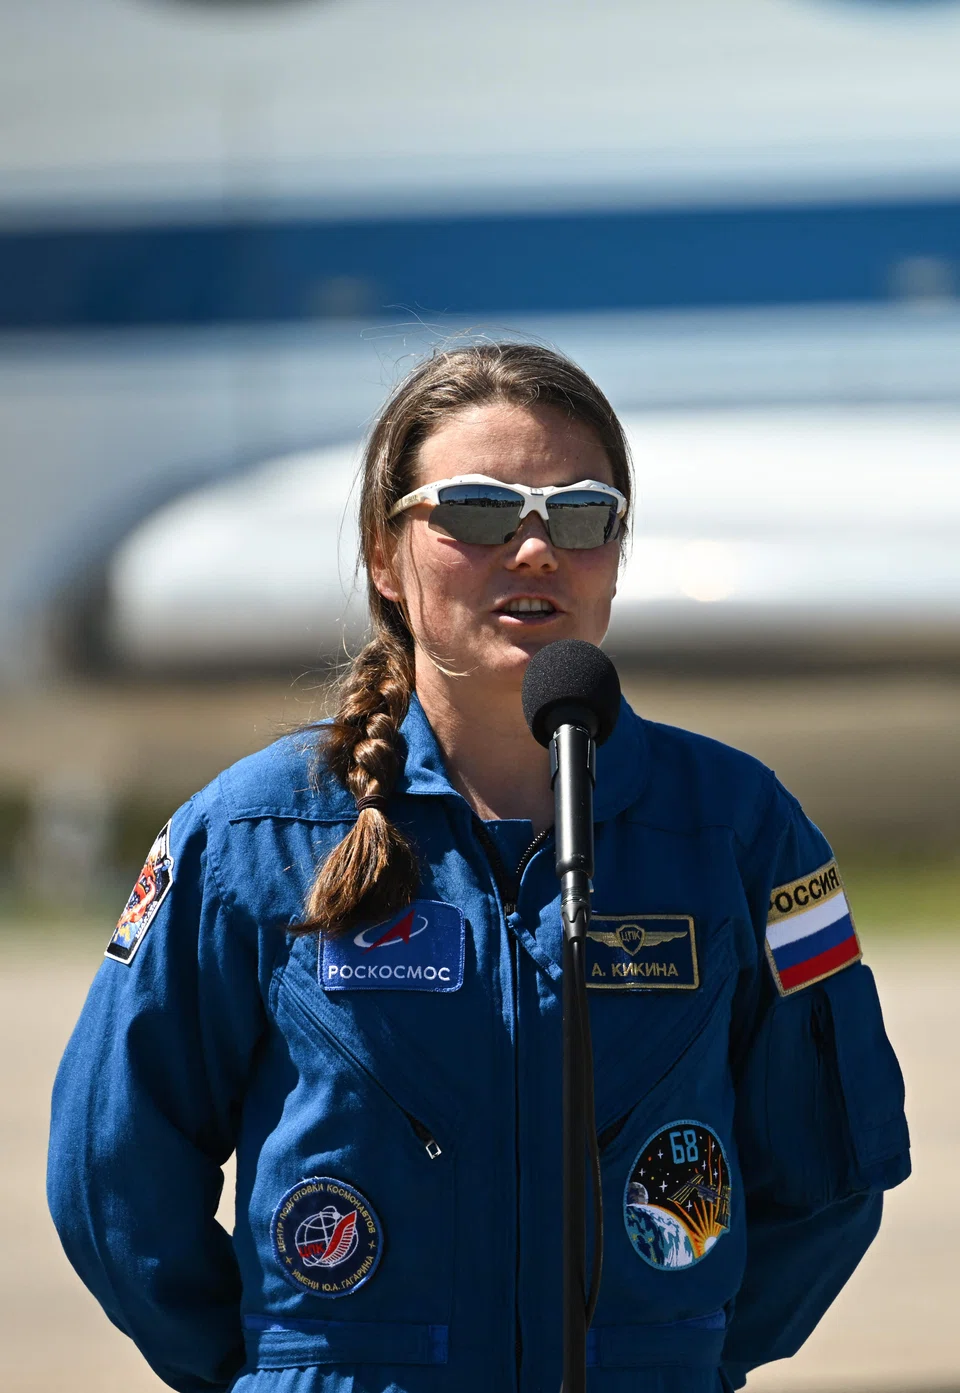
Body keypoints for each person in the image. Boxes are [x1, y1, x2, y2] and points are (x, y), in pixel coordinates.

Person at [48, 343, 910, 1393]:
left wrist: (667, 1355)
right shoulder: (248, 839)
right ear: (384, 553)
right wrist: (280, 1373)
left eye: (582, 513)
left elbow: (827, 1172)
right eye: (479, 512)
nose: (537, 548)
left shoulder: (741, 830)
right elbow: (111, 1171)